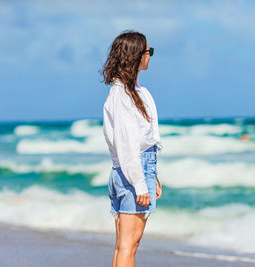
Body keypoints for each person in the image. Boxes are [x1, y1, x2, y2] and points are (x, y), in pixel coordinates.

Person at [101, 30, 163, 267]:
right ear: (136, 55)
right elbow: (126, 145)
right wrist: (139, 182)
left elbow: (143, 142)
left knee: (124, 246)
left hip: (131, 170)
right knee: (129, 246)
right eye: (149, 51)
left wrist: (152, 175)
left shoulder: (133, 92)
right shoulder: (123, 95)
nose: (150, 56)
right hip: (131, 173)